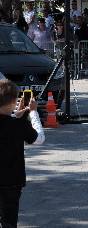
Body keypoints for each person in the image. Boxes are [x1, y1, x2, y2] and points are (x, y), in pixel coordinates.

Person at [0, 79, 45, 227]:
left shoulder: (16, 122)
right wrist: (32, 113)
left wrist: (16, 115)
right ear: (14, 101)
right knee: (9, 221)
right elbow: (39, 139)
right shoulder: (18, 125)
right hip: (12, 181)